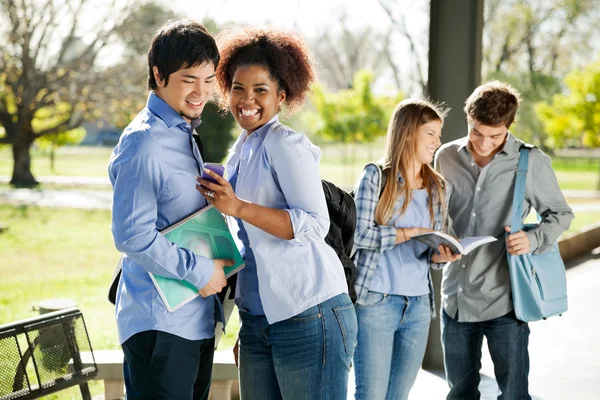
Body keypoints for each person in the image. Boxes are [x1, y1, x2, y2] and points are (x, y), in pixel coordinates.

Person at [196, 28, 357, 400]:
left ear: (281, 95)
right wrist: (248, 325)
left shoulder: (286, 144)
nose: (246, 99)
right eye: (238, 88)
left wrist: (237, 206)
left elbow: (314, 224)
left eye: (260, 90)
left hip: (310, 314)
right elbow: (251, 248)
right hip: (259, 320)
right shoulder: (242, 149)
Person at [108, 20, 233, 400]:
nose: (202, 92)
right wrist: (200, 272)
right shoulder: (144, 142)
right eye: (189, 79)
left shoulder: (182, 133)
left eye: (209, 79)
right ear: (158, 75)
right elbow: (131, 236)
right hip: (160, 327)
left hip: (195, 319)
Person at [435, 81, 574, 399]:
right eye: (476, 132)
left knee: (513, 394)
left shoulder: (531, 161)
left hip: (505, 302)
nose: (483, 144)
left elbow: (560, 214)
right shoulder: (446, 157)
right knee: (459, 393)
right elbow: (435, 214)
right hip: (455, 298)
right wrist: (438, 243)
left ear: (509, 126)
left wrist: (533, 238)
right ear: (469, 118)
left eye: (494, 136)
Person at [352, 99, 461, 400]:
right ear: (409, 132)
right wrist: (409, 233)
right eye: (431, 134)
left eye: (439, 135)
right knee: (371, 394)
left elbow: (430, 256)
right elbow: (360, 236)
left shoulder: (438, 187)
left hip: (417, 307)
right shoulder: (376, 177)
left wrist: (441, 255)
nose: (437, 142)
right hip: (375, 302)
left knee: (398, 396)